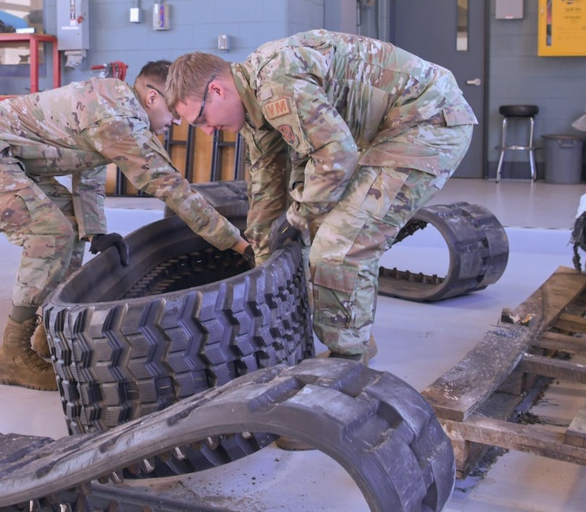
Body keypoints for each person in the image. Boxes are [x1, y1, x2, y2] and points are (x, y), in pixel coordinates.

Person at [165, 30, 476, 363]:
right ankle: (352, 333)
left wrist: (298, 216)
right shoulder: (253, 103)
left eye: (201, 119)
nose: (208, 132)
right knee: (319, 231)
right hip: (387, 130)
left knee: (338, 246)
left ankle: (348, 359)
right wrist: (261, 253)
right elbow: (266, 185)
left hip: (428, 120)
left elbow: (337, 155)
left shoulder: (275, 84)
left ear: (216, 90)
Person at [0, 60, 251, 391]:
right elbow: (170, 187)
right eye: (173, 110)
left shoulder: (111, 102)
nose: (176, 121)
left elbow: (88, 168)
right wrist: (238, 243)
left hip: (6, 158)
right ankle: (12, 355)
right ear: (151, 96)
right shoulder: (117, 118)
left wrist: (94, 228)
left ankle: (49, 332)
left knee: (71, 229)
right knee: (51, 234)